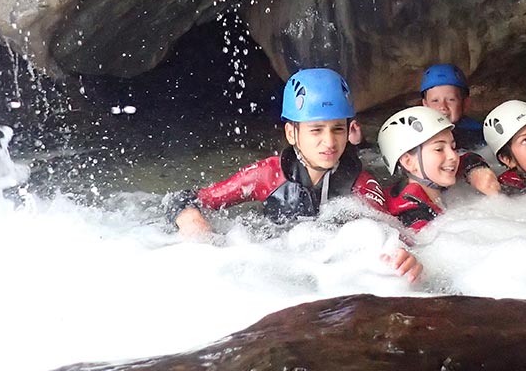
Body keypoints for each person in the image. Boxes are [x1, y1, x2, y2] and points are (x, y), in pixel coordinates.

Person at [169, 68, 422, 282]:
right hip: (269, 269)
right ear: (292, 133)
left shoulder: (362, 184)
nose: (329, 142)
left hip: (331, 278)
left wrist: (403, 258)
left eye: (337, 129)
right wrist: (189, 215)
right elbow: (191, 198)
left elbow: (392, 233)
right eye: (316, 130)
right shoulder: (267, 175)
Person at [377, 105, 495, 231]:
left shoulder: (437, 184)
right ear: (408, 162)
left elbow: (468, 159)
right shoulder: (415, 220)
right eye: (439, 149)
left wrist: (476, 168)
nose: (453, 156)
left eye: (453, 147)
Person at [419, 63, 499, 195]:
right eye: (435, 101)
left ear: (465, 104)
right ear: (425, 105)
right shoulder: (417, 136)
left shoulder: (479, 133)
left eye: (451, 100)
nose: (443, 107)